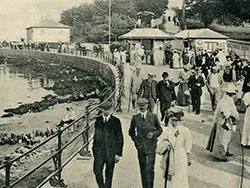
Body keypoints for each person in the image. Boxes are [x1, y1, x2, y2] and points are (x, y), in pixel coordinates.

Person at [129, 98, 162, 188]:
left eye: (144, 105)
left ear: (147, 105)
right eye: (140, 106)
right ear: (138, 106)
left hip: (151, 146)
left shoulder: (153, 116)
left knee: (150, 168)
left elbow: (159, 130)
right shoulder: (135, 118)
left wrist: (153, 134)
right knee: (143, 169)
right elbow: (131, 132)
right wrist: (136, 141)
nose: (142, 107)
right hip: (141, 147)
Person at [157, 107, 192, 188]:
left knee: (181, 174)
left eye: (176, 120)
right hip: (171, 155)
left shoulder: (184, 130)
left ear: (179, 120)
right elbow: (162, 140)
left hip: (181, 155)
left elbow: (188, 143)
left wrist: (188, 155)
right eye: (172, 120)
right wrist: (167, 145)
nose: (174, 122)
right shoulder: (168, 130)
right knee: (171, 174)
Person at [92, 101, 124, 188]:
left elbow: (120, 138)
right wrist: (94, 150)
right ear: (101, 110)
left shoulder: (116, 121)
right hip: (99, 152)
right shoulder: (98, 121)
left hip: (111, 152)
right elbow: (96, 136)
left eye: (108, 109)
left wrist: (118, 153)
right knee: (97, 171)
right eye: (104, 109)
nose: (106, 111)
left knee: (109, 174)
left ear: (111, 109)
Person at [206, 83, 239, 161]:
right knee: (222, 137)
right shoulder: (224, 100)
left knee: (227, 136)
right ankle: (220, 154)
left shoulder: (229, 99)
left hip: (228, 120)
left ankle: (226, 150)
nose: (233, 94)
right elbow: (223, 111)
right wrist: (230, 115)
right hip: (223, 120)